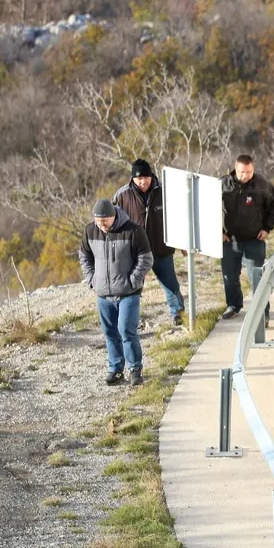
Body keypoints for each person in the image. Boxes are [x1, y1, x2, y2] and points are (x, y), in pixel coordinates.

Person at [78, 198, 153, 386]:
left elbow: (146, 258)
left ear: (114, 216)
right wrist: (93, 280)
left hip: (129, 293)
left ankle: (135, 369)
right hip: (103, 294)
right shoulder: (90, 231)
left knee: (126, 331)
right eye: (98, 221)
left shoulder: (133, 231)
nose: (102, 225)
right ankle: (116, 369)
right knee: (110, 332)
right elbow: (84, 257)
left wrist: (132, 281)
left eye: (105, 221)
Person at [113, 159, 185, 327]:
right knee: (132, 288)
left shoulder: (164, 191)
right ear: (133, 179)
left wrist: (182, 242)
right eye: (139, 179)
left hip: (161, 248)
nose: (143, 181)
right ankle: (131, 320)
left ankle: (178, 314)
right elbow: (112, 222)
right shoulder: (122, 195)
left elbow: (178, 217)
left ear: (151, 176)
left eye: (145, 177)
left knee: (171, 285)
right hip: (134, 253)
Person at [220, 154, 274, 321]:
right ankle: (233, 306)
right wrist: (219, 232)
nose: (245, 175)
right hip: (229, 241)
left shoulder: (262, 185)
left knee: (257, 277)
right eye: (242, 172)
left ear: (253, 168)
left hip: (254, 240)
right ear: (235, 168)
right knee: (230, 276)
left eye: (249, 172)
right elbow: (208, 207)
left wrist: (267, 228)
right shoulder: (222, 184)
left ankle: (262, 312)